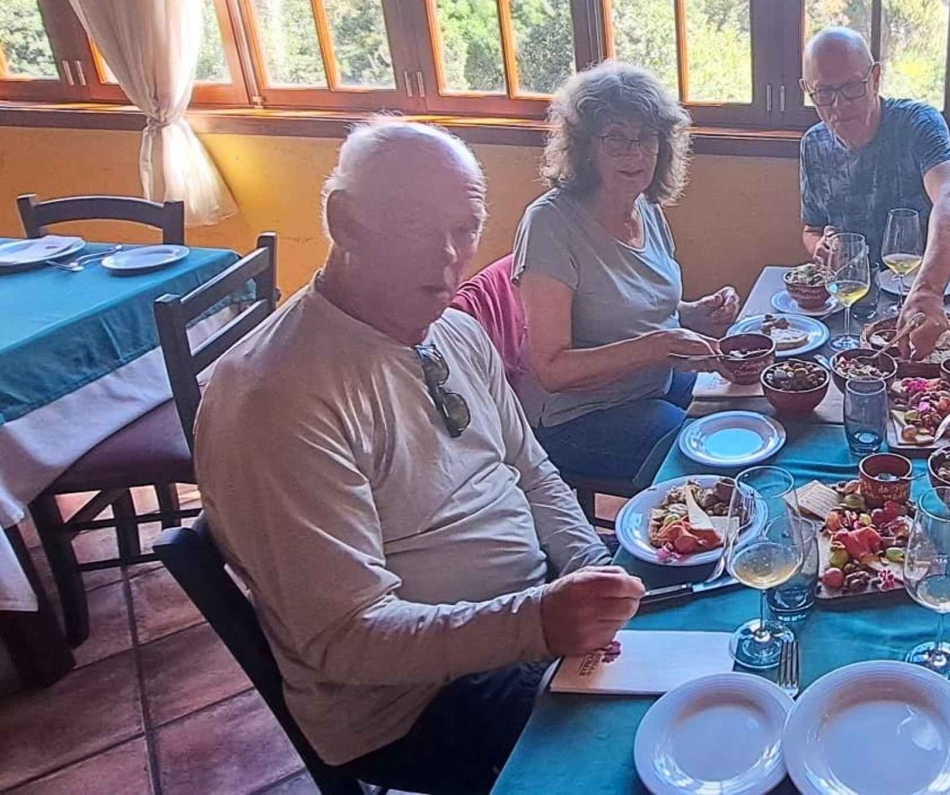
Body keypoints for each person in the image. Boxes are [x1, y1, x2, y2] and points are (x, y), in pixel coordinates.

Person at [195, 119, 643, 795]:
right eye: (413, 225)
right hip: (414, 703)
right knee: (643, 749)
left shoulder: (455, 330)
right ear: (344, 222)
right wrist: (541, 622)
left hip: (529, 605)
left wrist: (589, 563)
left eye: (466, 228)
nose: (447, 257)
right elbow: (348, 637)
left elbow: (531, 472)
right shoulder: (275, 399)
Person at [513, 61, 740, 480]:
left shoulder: (645, 206)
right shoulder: (550, 224)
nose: (635, 154)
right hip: (579, 415)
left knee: (748, 405)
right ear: (584, 147)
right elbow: (552, 369)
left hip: (653, 384)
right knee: (713, 461)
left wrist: (696, 314)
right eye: (615, 139)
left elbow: (637, 310)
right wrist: (657, 347)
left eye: (646, 137)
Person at [798, 27, 950, 359]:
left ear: (875, 78)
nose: (838, 105)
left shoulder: (918, 124)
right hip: (858, 306)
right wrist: (821, 248)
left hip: (938, 300)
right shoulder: (813, 145)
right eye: (823, 93)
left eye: (851, 88)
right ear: (807, 90)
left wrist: (927, 290)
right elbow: (812, 229)